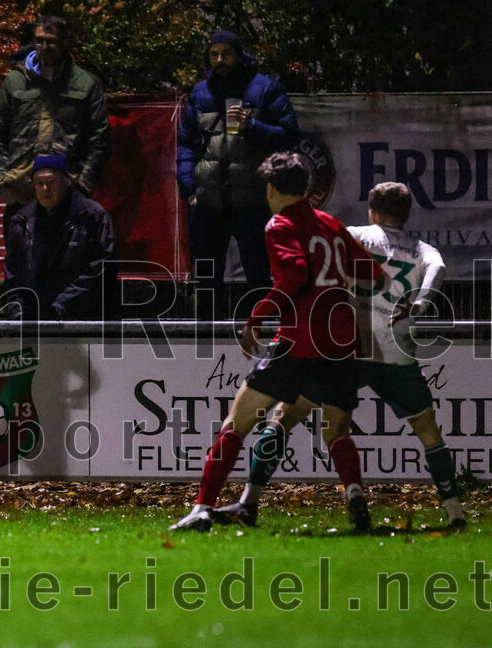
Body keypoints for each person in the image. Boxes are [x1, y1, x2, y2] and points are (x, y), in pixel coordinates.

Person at [215, 182, 466, 528]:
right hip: (396, 353)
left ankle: (249, 502)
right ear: (406, 215)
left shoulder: (353, 234)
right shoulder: (423, 249)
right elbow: (438, 270)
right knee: (427, 430)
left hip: (349, 349)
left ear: (372, 211)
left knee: (285, 417)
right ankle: (454, 513)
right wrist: (420, 303)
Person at [170, 152, 384, 533]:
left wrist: (257, 318)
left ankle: (202, 507)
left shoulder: (279, 224)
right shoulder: (331, 223)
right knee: (337, 431)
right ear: (305, 188)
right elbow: (375, 275)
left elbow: (297, 270)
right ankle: (356, 503)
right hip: (341, 343)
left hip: (298, 342)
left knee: (236, 423)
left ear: (271, 189)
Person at [176, 30, 299, 316]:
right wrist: (189, 189)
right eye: (214, 54)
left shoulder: (265, 88)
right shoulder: (200, 92)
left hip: (253, 199)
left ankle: (264, 338)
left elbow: (289, 136)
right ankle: (204, 341)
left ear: (239, 55)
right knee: (206, 279)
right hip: (207, 202)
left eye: (226, 53)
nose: (220, 60)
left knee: (259, 276)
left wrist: (252, 127)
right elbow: (185, 143)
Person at [0, 15, 110, 217]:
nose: (44, 46)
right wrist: (2, 185)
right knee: (20, 249)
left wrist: (83, 185)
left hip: (68, 192)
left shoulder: (86, 83)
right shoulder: (15, 81)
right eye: (39, 40)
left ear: (65, 43)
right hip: (21, 191)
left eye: (51, 41)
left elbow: (100, 140)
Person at [1, 154, 117, 320]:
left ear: (67, 181)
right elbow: (13, 274)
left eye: (51, 182)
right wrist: (16, 310)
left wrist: (62, 305)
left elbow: (102, 268)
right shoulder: (22, 221)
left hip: (82, 320)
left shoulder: (92, 216)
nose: (45, 189)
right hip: (33, 323)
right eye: (39, 183)